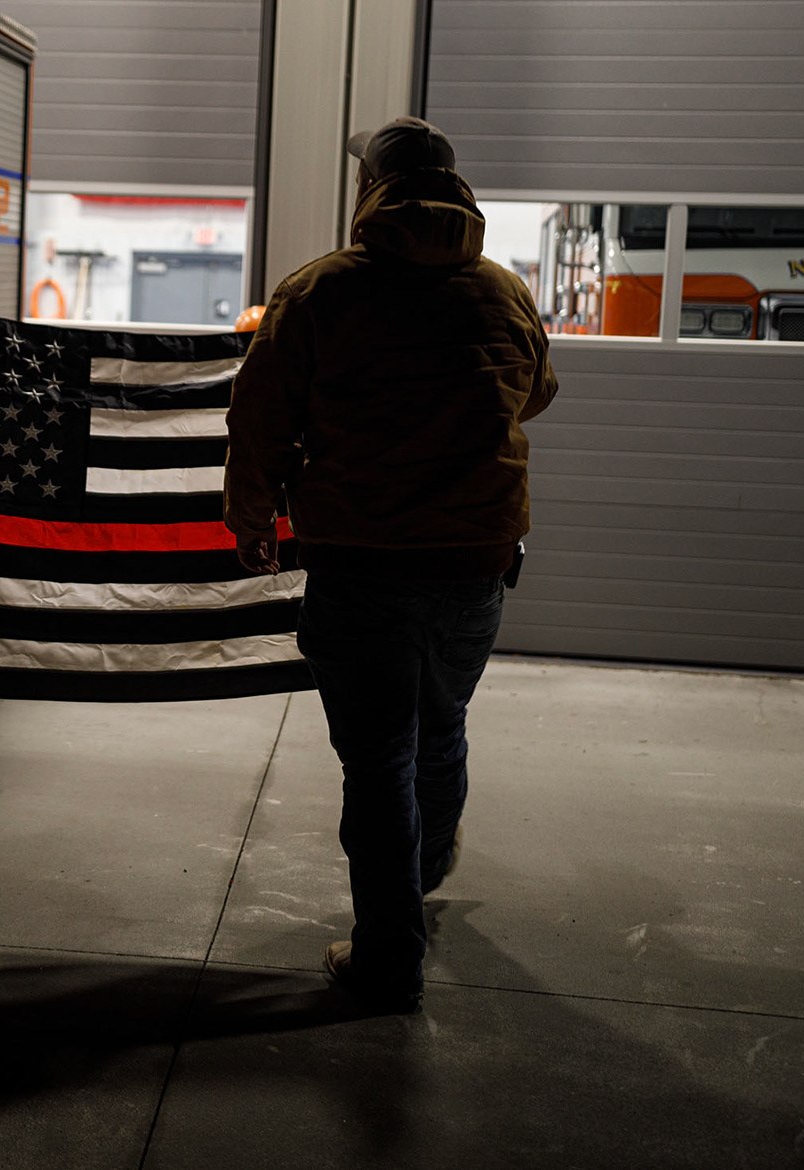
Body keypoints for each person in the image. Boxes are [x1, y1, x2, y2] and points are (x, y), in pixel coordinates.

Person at [224, 116, 557, 1013]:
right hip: (474, 564)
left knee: (379, 762)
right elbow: (539, 389)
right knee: (440, 723)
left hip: (361, 564)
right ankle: (427, 857)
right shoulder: (502, 290)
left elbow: (258, 417)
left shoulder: (322, 291)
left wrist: (250, 516)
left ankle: (388, 957)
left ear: (372, 189)